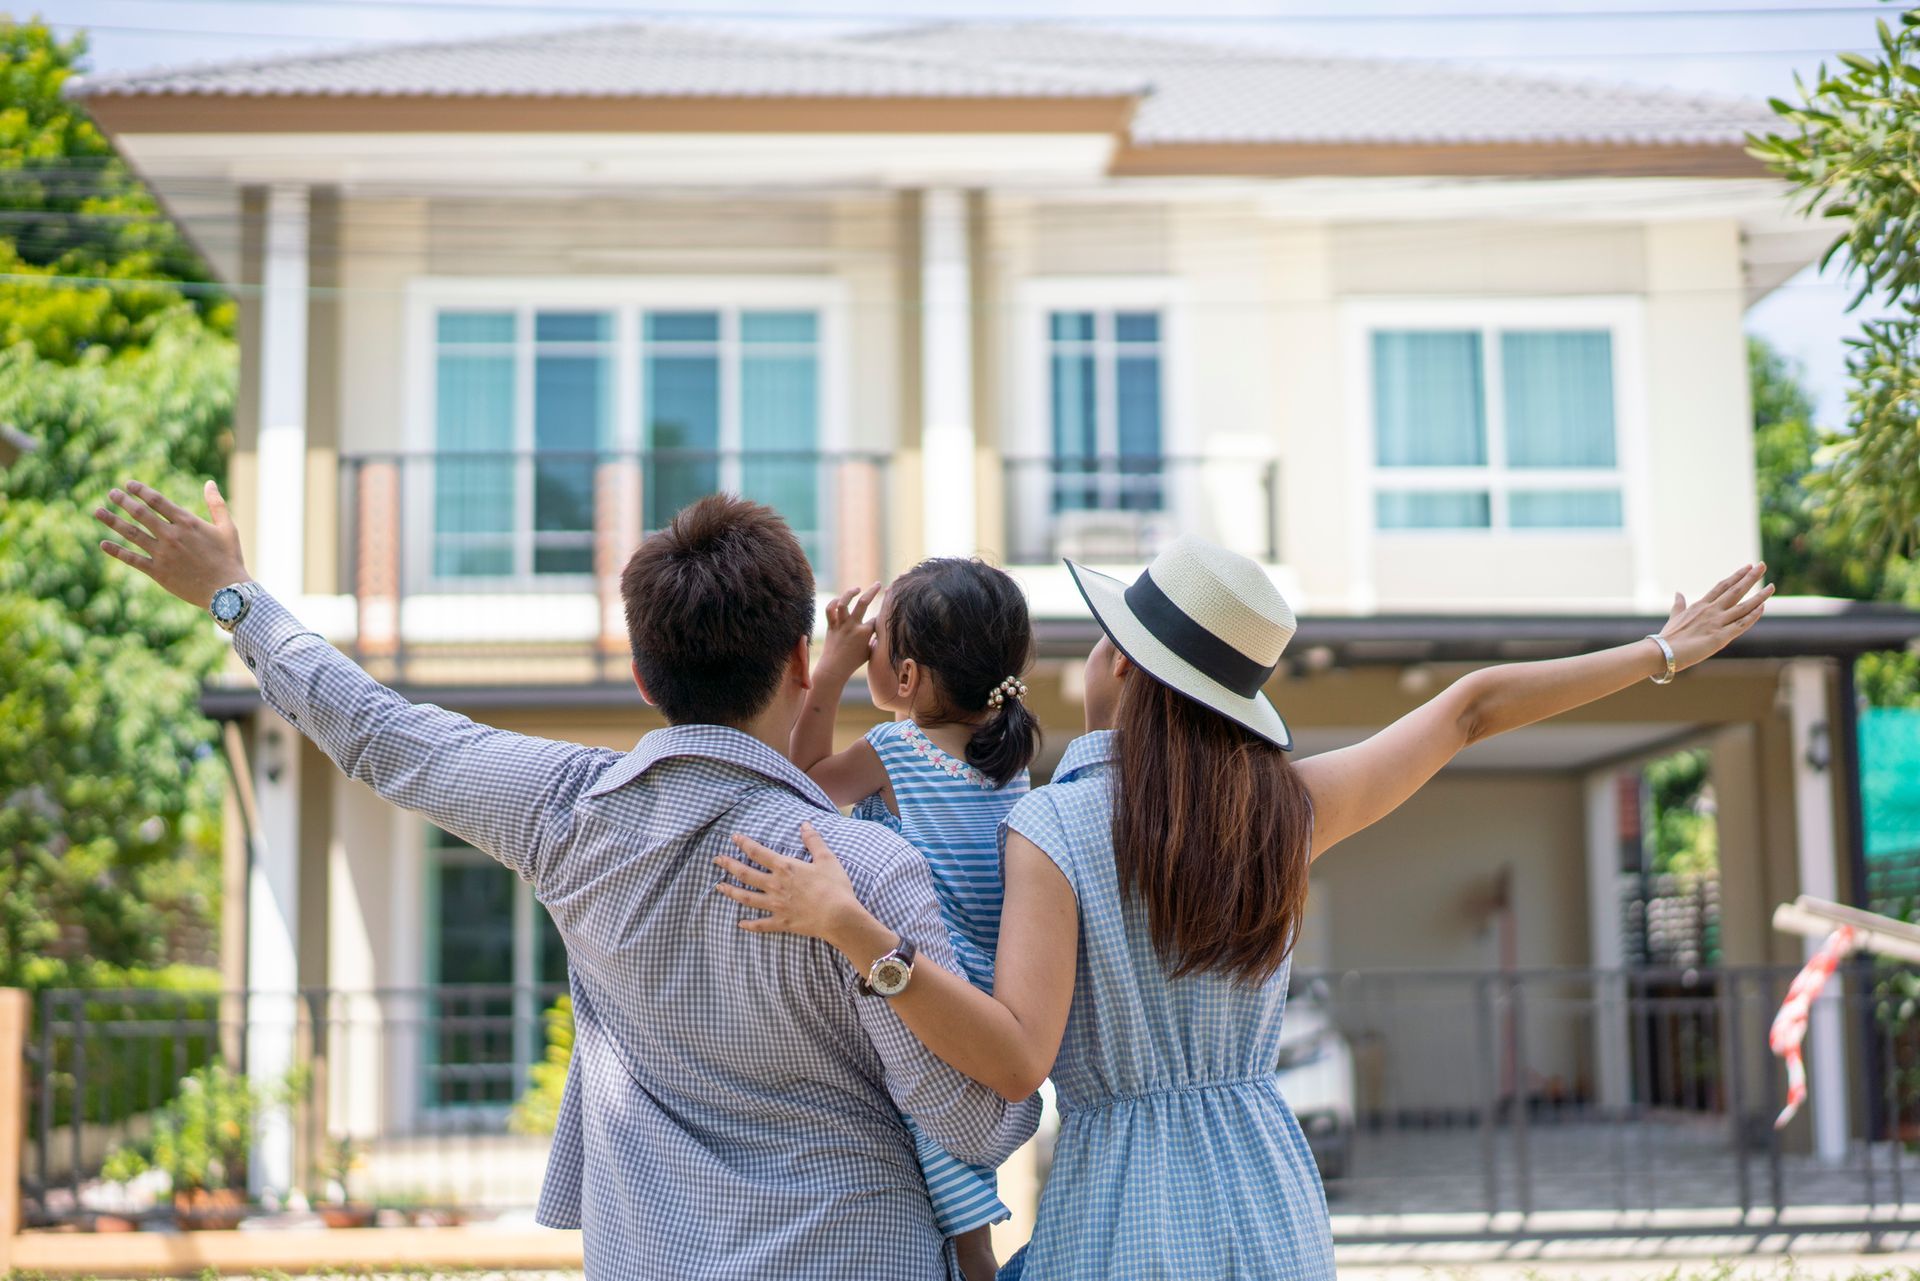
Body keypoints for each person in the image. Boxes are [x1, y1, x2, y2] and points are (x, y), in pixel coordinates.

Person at [717, 535, 1773, 1279]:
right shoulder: (1286, 810)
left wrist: (856, 931)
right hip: (1272, 1194)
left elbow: (1014, 1060)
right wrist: (1661, 654)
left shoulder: (1051, 829)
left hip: (1122, 1209)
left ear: (1122, 669)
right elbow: (1469, 710)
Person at [93, 479, 1040, 1281]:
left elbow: (380, 733)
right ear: (801, 660)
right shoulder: (868, 868)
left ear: (639, 673)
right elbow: (975, 1121)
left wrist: (233, 597)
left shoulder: (568, 812)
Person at [789, 559, 1042, 1281]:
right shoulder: (1010, 755)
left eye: (872, 644)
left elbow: (800, 785)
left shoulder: (899, 750)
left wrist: (828, 671)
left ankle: (975, 1258)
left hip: (932, 969)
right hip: (998, 982)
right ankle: (974, 1254)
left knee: (922, 1115)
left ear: (906, 678)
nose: (861, 647)